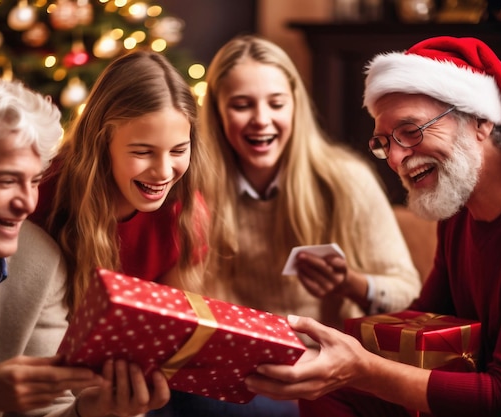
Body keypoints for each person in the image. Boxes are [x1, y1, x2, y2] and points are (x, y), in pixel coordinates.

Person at [244, 36, 501, 416]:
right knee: (322, 389)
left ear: (481, 120)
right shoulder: (460, 210)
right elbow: (420, 320)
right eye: (384, 142)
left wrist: (361, 369)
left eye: (411, 131)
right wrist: (319, 344)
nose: (397, 158)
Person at [151, 34, 422, 417]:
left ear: (295, 106)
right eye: (242, 105)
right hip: (226, 371)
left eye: (276, 103)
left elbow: (408, 293)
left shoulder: (345, 180)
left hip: (314, 378)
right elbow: (177, 303)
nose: (262, 119)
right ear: (217, 112)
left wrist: (351, 283)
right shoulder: (191, 188)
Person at [0, 71, 169, 416]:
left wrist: (91, 410)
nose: (28, 204)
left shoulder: (39, 261)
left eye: (33, 181)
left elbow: (49, 411)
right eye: (5, 181)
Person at [29, 50, 211, 316]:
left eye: (178, 151)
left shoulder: (185, 215)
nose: (163, 172)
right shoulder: (42, 196)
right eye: (143, 152)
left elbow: (174, 325)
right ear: (102, 144)